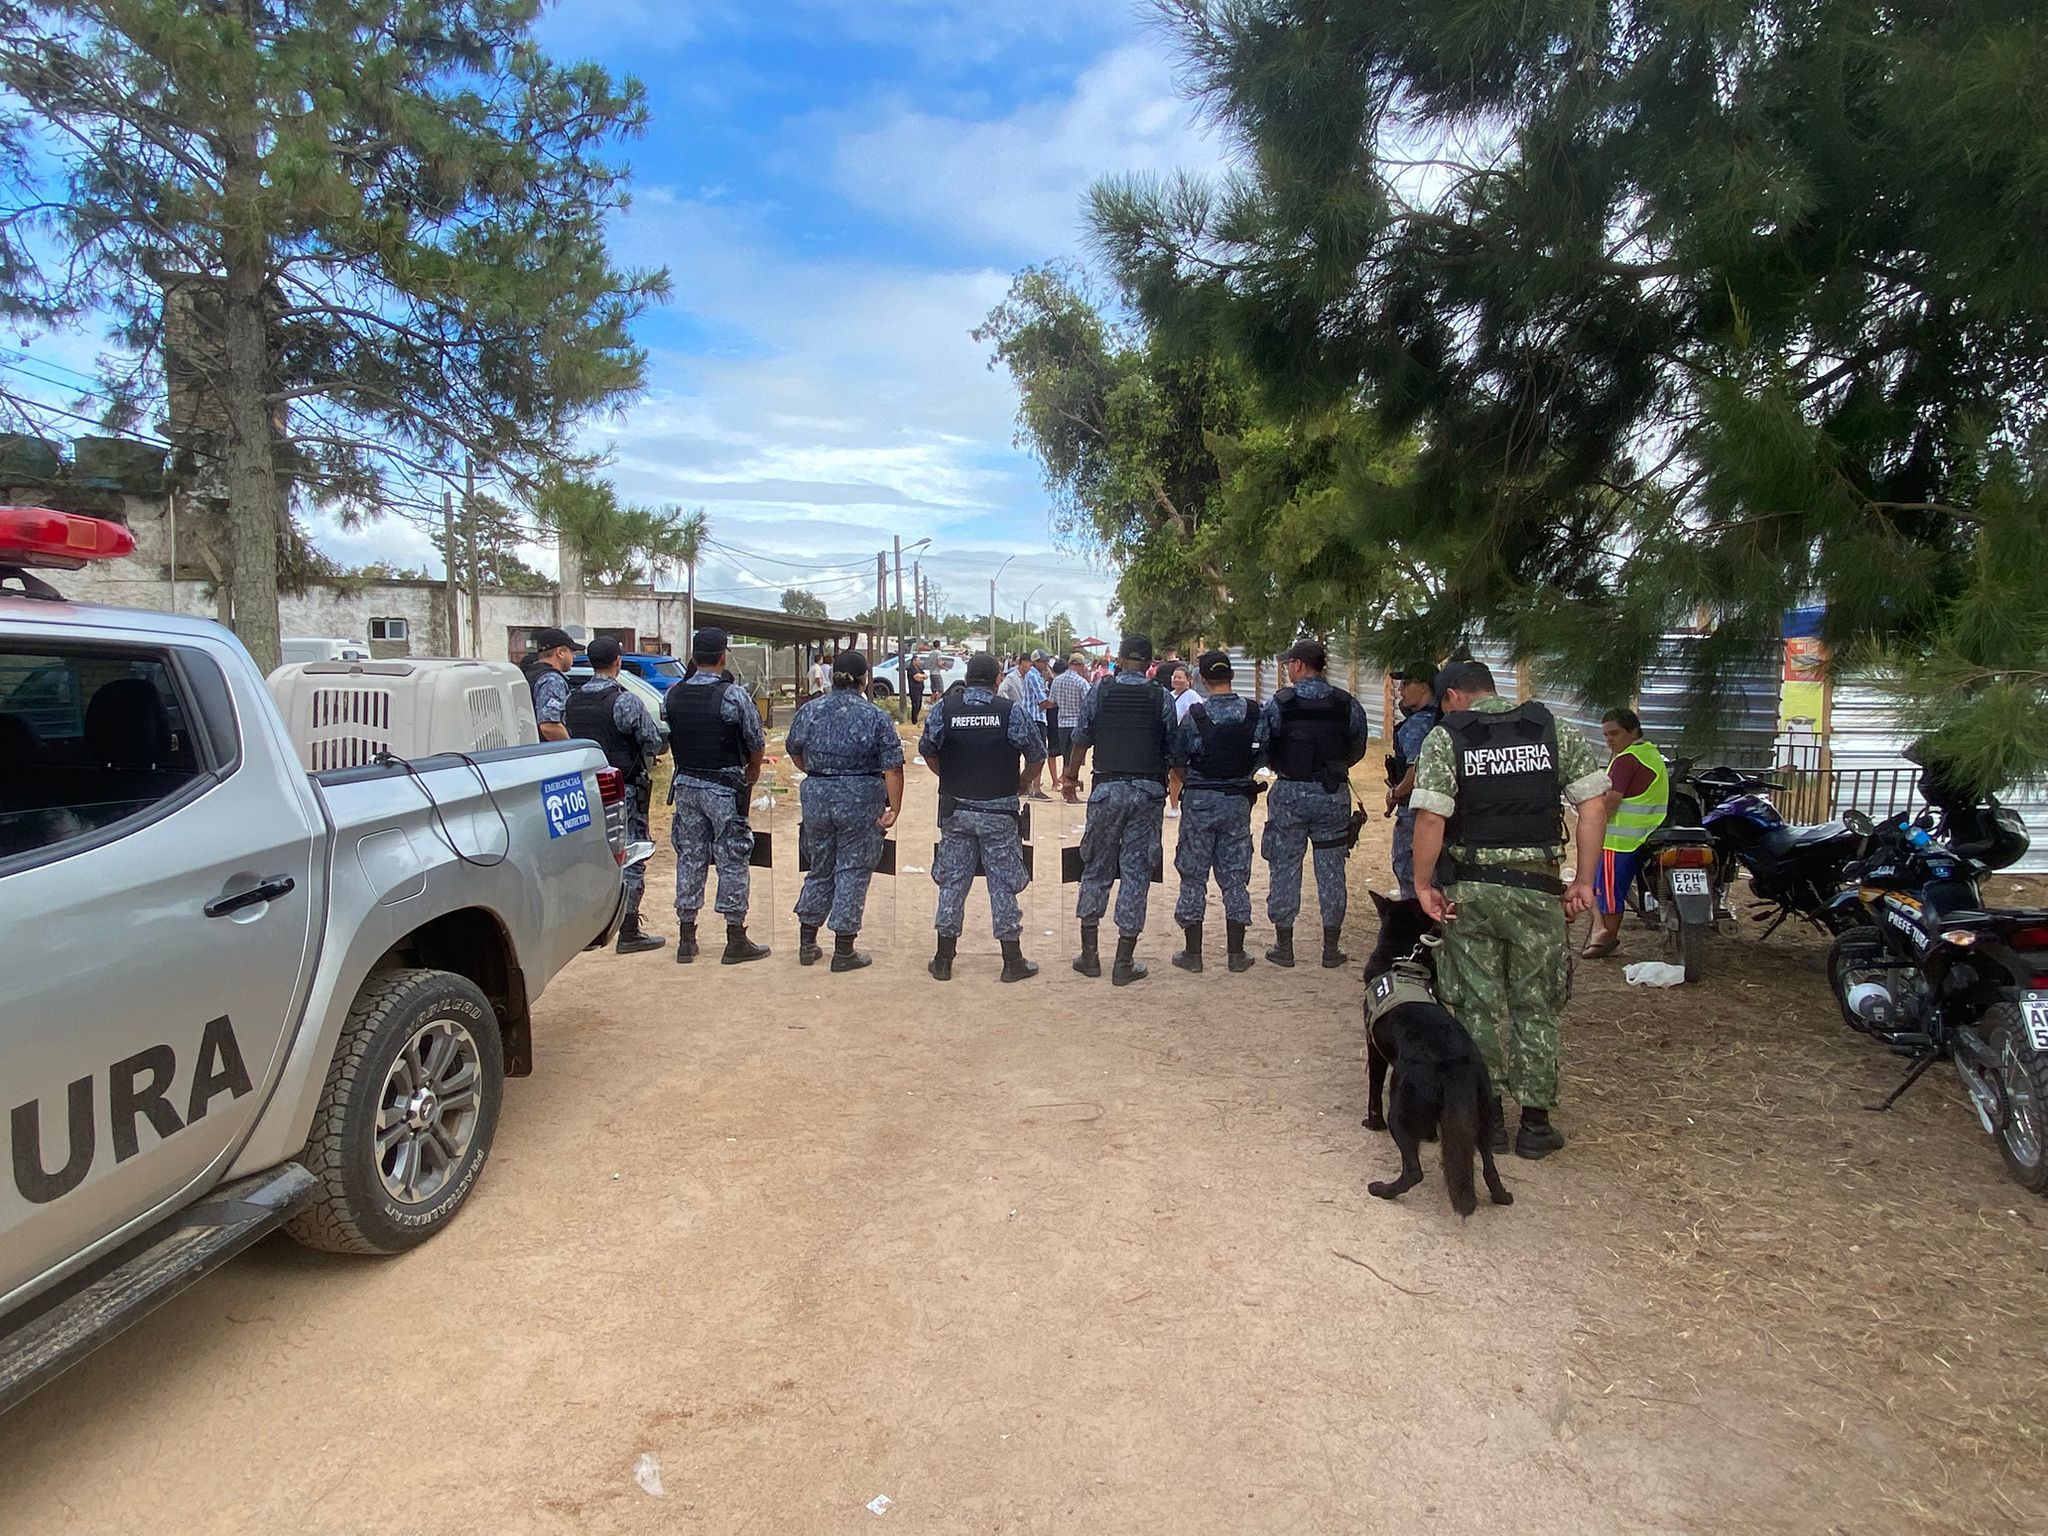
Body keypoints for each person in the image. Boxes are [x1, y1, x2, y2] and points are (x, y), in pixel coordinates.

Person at [1409, 660, 1610, 1159]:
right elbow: (1593, 807)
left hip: (1470, 893)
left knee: (1475, 1004)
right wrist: (1584, 881)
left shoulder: (1445, 737)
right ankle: (1536, 1126)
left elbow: (1433, 816)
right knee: (1535, 1004)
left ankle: (1490, 1119)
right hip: (1538, 891)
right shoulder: (1552, 729)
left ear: (1454, 696)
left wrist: (1421, 884)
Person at [921, 651, 1045, 982]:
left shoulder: (945, 709)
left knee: (952, 884)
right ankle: (1012, 961)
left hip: (957, 811)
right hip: (999, 812)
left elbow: (928, 750)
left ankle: (943, 960)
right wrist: (1021, 782)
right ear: (996, 680)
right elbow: (1037, 754)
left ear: (968, 678)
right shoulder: (1009, 712)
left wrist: (948, 775)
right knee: (1002, 884)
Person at [1064, 634, 1182, 985]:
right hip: (1147, 794)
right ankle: (1124, 962)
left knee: (1096, 867)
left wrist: (1070, 778)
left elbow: (1080, 739)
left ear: (1118, 661)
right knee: (1136, 872)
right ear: (1150, 664)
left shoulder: (1100, 691)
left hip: (1106, 791)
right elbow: (1174, 749)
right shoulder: (1161, 697)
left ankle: (1089, 956)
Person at [785, 651, 904, 972]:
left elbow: (794, 750)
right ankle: (844, 949)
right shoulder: (875, 716)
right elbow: (893, 768)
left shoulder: (809, 710)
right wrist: (894, 808)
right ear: (864, 678)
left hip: (818, 795)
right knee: (853, 869)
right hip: (861, 797)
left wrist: (818, 773)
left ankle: (807, 942)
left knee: (819, 866)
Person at [1260, 639, 1371, 968]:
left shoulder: (1280, 703)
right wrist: (1333, 768)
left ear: (1298, 664)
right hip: (1331, 794)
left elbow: (1264, 744)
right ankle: (1330, 949)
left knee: (1284, 866)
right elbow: (1358, 746)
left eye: (1288, 665)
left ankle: (1284, 946)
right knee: (1332, 871)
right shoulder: (1346, 703)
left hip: (1290, 795)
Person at [664, 626, 771, 965]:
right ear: (723, 656)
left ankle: (686, 938)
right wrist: (752, 771)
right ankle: (735, 938)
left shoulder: (673, 693)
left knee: (691, 857)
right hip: (724, 788)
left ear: (694, 657)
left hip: (686, 787)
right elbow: (755, 740)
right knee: (733, 857)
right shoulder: (733, 695)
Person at [567, 637, 668, 954]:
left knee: (589, 856)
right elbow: (651, 740)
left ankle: (588, 927)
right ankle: (628, 928)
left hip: (585, 789)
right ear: (618, 662)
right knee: (631, 854)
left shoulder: (572, 700)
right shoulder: (625, 701)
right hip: (623, 788)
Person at [1170, 650, 1264, 973]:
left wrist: (1197, 783)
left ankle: (1193, 954)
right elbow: (1262, 755)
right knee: (1236, 877)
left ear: (1203, 679)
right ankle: (1236, 954)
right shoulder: (1254, 713)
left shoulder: (1194, 715)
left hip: (1199, 801)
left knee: (1193, 876)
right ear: (1231, 676)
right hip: (1237, 801)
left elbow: (1178, 761)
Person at [1584, 707, 1669, 960]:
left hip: (1619, 839)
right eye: (1606, 735)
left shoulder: (1626, 759)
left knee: (1608, 892)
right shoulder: (1650, 754)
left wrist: (1593, 826)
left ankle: (1604, 939)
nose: (1609, 740)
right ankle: (1603, 934)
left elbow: (1612, 800)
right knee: (1607, 890)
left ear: (1633, 731)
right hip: (1645, 833)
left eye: (1615, 733)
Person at [1385, 665, 1442, 900]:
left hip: (1417, 811)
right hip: (1446, 810)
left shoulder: (1418, 724)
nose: (1400, 690)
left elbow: (1417, 770)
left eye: (1407, 684)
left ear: (1425, 687)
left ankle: (1416, 930)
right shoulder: (1449, 719)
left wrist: (1396, 793)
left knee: (1411, 872)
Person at [522, 626, 575, 742]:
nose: (573, 656)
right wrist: (571, 751)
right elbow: (549, 726)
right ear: (560, 652)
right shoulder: (552, 680)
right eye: (571, 651)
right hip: (548, 752)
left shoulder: (530, 673)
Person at [1048, 653, 1091, 790]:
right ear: (1080, 665)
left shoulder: (1057, 680)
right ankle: (1069, 790)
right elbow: (1089, 704)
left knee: (1066, 758)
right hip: (1077, 725)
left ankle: (1067, 787)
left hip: (1062, 725)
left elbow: (1052, 702)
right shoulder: (1081, 682)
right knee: (1074, 760)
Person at [1019, 650, 1052, 800]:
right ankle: (1035, 788)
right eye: (1043, 661)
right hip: (1036, 718)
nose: (1046, 664)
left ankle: (1029, 786)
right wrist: (1057, 704)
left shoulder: (1035, 676)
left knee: (1032, 753)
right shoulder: (1033, 676)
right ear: (1035, 662)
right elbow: (1043, 701)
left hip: (1032, 717)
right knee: (1039, 754)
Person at [907, 650, 928, 724]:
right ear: (914, 661)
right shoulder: (911, 668)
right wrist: (921, 677)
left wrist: (921, 676)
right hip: (914, 689)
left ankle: (916, 718)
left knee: (919, 704)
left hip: (920, 689)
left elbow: (925, 676)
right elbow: (916, 677)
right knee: (915, 705)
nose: (919, 662)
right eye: (918, 661)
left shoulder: (919, 668)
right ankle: (914, 720)